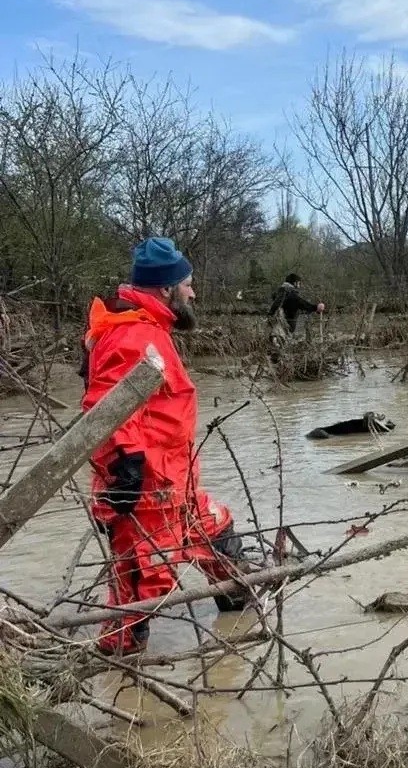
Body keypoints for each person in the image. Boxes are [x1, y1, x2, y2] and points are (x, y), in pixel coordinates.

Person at [81, 237, 251, 656]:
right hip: (147, 493)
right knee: (141, 592)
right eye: (187, 284)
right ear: (165, 289)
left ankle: (243, 628)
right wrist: (127, 464)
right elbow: (106, 404)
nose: (193, 292)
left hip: (177, 486)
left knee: (222, 541)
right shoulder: (134, 335)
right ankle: (116, 673)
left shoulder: (149, 330)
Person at [268, 273, 324, 338]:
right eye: (299, 283)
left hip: (274, 328)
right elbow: (303, 304)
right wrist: (316, 307)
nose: (299, 285)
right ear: (295, 283)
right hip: (284, 329)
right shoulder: (291, 295)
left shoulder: (279, 292)